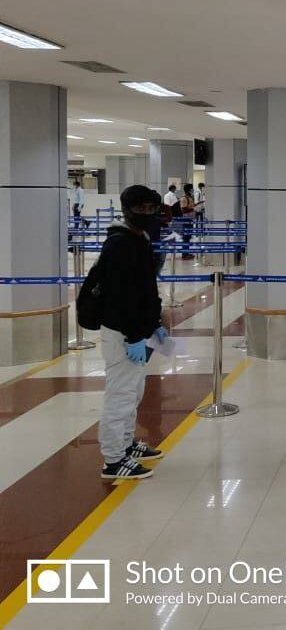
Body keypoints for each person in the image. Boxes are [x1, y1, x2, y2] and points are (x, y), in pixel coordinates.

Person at [96, 185, 169, 479]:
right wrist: (133, 335)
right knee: (121, 394)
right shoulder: (119, 244)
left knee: (134, 391)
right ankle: (113, 460)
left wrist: (154, 324)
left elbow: (145, 290)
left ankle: (125, 445)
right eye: (142, 210)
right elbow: (117, 297)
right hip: (123, 333)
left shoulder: (139, 241)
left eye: (153, 209)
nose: (149, 215)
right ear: (127, 211)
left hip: (140, 329)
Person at [178, 184, 197, 259]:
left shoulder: (189, 197)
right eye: (192, 189)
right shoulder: (184, 198)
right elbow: (184, 210)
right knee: (186, 237)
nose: (193, 190)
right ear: (189, 189)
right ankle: (185, 254)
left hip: (190, 219)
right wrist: (193, 209)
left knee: (188, 237)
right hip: (186, 219)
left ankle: (187, 253)